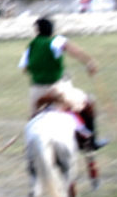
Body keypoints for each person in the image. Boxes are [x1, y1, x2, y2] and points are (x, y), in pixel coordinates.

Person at [18, 16, 107, 150]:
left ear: (37, 31)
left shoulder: (31, 46)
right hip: (57, 89)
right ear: (52, 30)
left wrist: (39, 71)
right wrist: (90, 62)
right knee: (87, 102)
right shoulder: (56, 41)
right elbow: (75, 51)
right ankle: (91, 142)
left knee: (32, 119)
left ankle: (29, 148)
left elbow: (24, 69)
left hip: (36, 91)